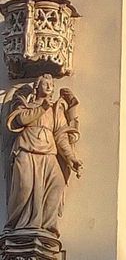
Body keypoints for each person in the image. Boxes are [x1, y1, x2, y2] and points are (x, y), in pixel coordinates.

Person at [5, 74, 82, 236]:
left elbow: (61, 136)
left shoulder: (56, 110)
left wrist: (71, 157)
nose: (49, 87)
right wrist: (42, 108)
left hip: (48, 152)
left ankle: (46, 226)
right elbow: (21, 120)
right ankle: (19, 224)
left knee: (57, 183)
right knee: (24, 186)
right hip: (26, 149)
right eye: (45, 84)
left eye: (51, 85)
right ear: (37, 87)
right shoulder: (26, 104)